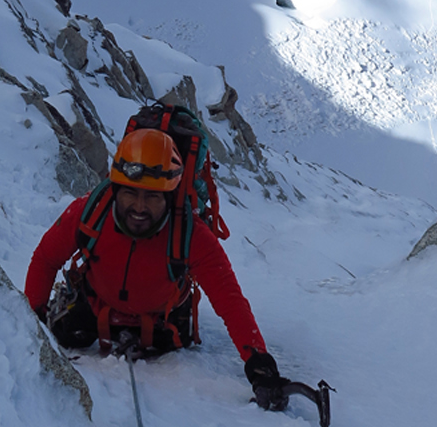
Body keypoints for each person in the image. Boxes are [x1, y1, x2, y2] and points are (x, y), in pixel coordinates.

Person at [24, 126, 289, 409]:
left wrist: (260, 365)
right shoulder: (89, 212)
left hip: (161, 321)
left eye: (152, 196)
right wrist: (30, 321)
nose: (139, 207)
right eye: (131, 194)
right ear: (115, 189)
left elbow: (229, 300)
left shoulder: (191, 234)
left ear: (169, 195)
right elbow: (46, 259)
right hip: (96, 305)